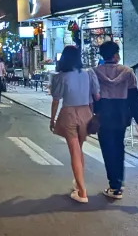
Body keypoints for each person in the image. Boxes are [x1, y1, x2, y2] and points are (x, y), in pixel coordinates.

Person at [93, 41, 138, 200]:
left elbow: (92, 97)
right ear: (116, 55)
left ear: (103, 55)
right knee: (119, 147)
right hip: (122, 114)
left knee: (107, 150)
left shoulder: (94, 73)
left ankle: (114, 185)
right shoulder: (128, 73)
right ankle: (119, 183)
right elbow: (134, 99)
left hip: (103, 114)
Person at [49, 45, 100, 204]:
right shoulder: (89, 74)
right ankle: (78, 183)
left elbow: (56, 100)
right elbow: (96, 96)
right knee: (79, 149)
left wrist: (52, 119)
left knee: (74, 152)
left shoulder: (61, 77)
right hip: (86, 113)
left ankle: (82, 192)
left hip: (69, 113)